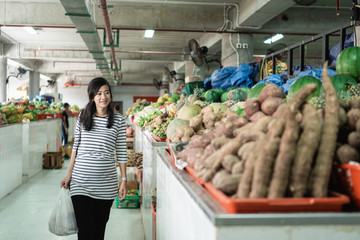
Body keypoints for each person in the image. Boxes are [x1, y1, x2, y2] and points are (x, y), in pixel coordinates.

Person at [61, 77, 128, 240]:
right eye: (98, 93)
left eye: (106, 92)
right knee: (85, 231)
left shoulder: (118, 120)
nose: (103, 97)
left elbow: (121, 150)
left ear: (110, 96)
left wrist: (124, 179)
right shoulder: (83, 117)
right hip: (81, 182)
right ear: (92, 96)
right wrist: (69, 174)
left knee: (99, 231)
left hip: (106, 185)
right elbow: (75, 147)